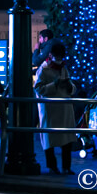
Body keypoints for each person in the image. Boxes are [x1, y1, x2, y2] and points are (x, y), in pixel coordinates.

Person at [34, 40, 79, 174]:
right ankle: (52, 166)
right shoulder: (43, 69)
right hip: (51, 108)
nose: (59, 59)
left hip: (64, 108)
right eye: (57, 56)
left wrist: (69, 86)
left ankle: (66, 166)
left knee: (67, 139)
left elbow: (72, 85)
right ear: (51, 55)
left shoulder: (63, 68)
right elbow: (38, 89)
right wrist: (54, 85)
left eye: (61, 57)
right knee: (49, 139)